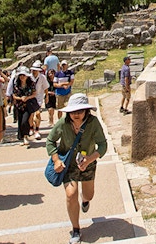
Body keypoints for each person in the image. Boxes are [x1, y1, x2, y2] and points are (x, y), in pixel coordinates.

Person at [46, 93, 107, 244]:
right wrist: (56, 160)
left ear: (86, 111)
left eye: (79, 111)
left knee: (89, 195)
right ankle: (76, 229)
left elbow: (103, 145)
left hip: (88, 164)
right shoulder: (63, 123)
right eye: (73, 112)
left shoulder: (93, 123)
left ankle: (85, 200)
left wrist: (89, 160)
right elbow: (50, 141)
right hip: (69, 165)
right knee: (70, 194)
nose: (76, 115)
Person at [12, 66, 40, 145]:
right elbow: (14, 95)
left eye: (24, 75)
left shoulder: (31, 83)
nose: (22, 77)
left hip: (28, 105)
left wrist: (27, 97)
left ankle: (25, 135)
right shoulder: (16, 84)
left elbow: (34, 93)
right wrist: (21, 98)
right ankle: (23, 137)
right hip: (19, 105)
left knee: (25, 121)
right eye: (20, 75)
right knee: (20, 121)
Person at [31, 60, 49, 138]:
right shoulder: (29, 76)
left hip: (39, 98)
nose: (34, 71)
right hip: (30, 97)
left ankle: (37, 130)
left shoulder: (42, 77)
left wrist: (47, 96)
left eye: (36, 70)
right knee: (31, 115)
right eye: (33, 70)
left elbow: (45, 88)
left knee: (37, 113)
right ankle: (31, 127)